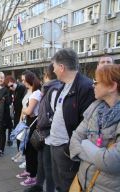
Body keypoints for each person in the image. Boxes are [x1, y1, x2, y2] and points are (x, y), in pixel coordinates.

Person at [45, 48, 95, 192]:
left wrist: (68, 148)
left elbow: (85, 124)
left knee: (69, 186)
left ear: (61, 67)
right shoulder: (64, 86)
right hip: (55, 145)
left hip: (66, 149)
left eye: (54, 66)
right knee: (59, 185)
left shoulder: (85, 87)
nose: (53, 70)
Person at [69, 65, 120, 192]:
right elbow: (74, 139)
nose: (93, 85)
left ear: (112, 86)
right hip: (82, 183)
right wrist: (99, 156)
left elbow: (112, 162)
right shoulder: (95, 108)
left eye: (96, 82)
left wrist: (85, 144)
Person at [24, 64, 62, 192]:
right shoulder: (48, 89)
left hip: (48, 134)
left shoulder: (54, 89)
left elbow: (54, 114)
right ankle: (38, 186)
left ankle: (48, 189)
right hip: (43, 131)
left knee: (48, 166)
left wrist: (43, 125)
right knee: (41, 162)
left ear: (46, 75)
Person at [16, 70, 42, 186]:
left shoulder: (36, 93)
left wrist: (23, 111)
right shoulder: (30, 91)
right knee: (27, 148)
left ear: (29, 79)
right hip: (28, 122)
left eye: (24, 80)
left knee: (31, 150)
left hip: (33, 123)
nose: (23, 82)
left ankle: (33, 176)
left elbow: (29, 111)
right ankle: (29, 170)